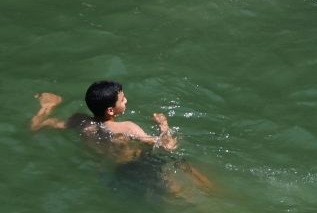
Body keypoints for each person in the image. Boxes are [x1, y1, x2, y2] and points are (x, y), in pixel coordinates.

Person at [30, 81, 212, 194]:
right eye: (122, 99)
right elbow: (166, 146)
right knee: (190, 183)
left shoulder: (80, 121)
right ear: (111, 110)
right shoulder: (127, 127)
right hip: (142, 166)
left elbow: (37, 127)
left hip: (117, 172)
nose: (126, 101)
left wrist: (47, 108)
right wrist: (163, 125)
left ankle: (48, 104)